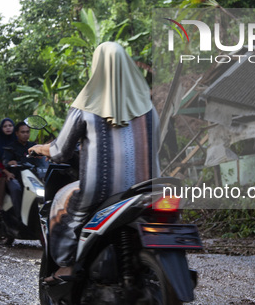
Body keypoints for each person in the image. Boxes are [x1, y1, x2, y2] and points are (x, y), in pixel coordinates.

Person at [29, 41, 160, 284]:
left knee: (61, 201)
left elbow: (59, 152)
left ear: (97, 67)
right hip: (149, 189)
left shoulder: (86, 107)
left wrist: (40, 148)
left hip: (101, 190)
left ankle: (67, 265)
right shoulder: (149, 109)